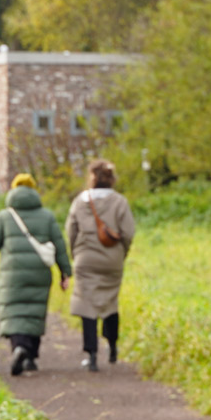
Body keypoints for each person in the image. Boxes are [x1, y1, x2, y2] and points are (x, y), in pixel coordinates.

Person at [0, 173, 71, 376]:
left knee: (14, 312)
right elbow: (59, 245)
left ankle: (18, 348)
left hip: (12, 274)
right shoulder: (47, 216)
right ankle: (30, 356)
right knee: (34, 311)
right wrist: (65, 272)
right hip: (39, 272)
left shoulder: (5, 216)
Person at [65, 158, 136, 371]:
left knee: (87, 304)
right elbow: (129, 233)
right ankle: (113, 346)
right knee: (109, 302)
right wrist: (120, 254)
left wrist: (75, 253)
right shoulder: (120, 202)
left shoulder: (80, 201)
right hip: (111, 260)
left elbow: (71, 231)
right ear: (112, 179)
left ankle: (92, 354)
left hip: (85, 260)